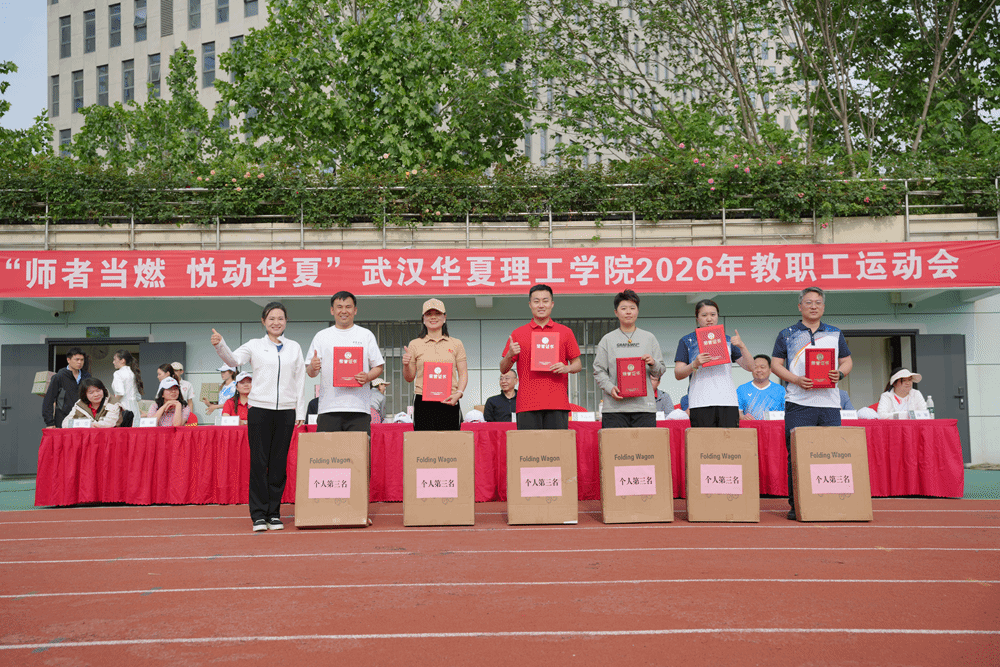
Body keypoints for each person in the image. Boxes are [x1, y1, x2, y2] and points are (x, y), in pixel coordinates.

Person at [213, 301, 307, 532]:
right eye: (271, 318)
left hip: (286, 411)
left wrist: (300, 410)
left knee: (278, 464)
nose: (276, 322)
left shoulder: (294, 347)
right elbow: (233, 360)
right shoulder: (254, 345)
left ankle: (274, 514)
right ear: (264, 321)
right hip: (259, 411)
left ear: (286, 321)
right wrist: (220, 345)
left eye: (280, 318)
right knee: (259, 463)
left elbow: (300, 380)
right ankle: (258, 515)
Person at [771, 286, 852, 520]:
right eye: (808, 302)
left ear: (823, 307)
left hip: (829, 405)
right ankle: (797, 504)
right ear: (800, 306)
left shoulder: (835, 333)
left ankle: (829, 502)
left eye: (818, 302)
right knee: (797, 456)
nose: (813, 306)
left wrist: (840, 373)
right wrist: (796, 379)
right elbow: (775, 364)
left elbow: (847, 361)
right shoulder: (787, 334)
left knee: (831, 454)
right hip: (798, 403)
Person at [501, 284, 582, 430]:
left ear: (552, 304)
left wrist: (567, 368)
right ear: (530, 305)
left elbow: (578, 364)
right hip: (527, 404)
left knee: (557, 444)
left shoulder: (565, 332)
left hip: (557, 403)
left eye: (545, 301)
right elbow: (503, 369)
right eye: (536, 301)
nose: (541, 305)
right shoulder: (518, 333)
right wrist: (509, 355)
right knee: (528, 445)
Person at [306, 291, 385, 434]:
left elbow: (378, 366)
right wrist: (313, 366)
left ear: (355, 310)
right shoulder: (322, 336)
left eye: (348, 307)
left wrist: (367, 377)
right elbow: (311, 373)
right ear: (332, 310)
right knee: (327, 449)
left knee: (359, 449)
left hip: (359, 408)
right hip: (329, 408)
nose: (344, 311)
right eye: (339, 307)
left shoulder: (365, 335)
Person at [593, 290, 667, 428]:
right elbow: (598, 370)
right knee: (615, 443)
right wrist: (610, 388)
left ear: (637, 311)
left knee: (646, 443)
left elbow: (661, 370)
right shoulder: (607, 339)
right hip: (615, 409)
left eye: (632, 308)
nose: (628, 312)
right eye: (623, 308)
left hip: (644, 408)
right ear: (616, 312)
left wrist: (653, 363)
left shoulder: (649, 338)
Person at [674, 299, 753, 428]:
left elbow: (750, 367)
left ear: (718, 316)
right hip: (700, 402)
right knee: (704, 441)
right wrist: (694, 364)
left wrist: (742, 346)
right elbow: (678, 373)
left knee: (728, 440)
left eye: (713, 314)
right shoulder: (687, 341)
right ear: (697, 318)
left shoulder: (728, 340)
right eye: (704, 315)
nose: (709, 319)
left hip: (728, 401)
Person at [402, 299, 468, 431]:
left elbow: (463, 373)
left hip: (449, 400)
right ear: (423, 319)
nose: (433, 317)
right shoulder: (415, 344)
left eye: (437, 313)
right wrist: (406, 364)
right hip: (423, 402)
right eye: (429, 314)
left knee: (450, 441)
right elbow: (409, 378)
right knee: (424, 441)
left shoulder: (456, 344)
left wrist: (459, 393)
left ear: (444, 318)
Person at [42, 347, 91, 428]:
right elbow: (48, 400)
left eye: (82, 360)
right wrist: (49, 422)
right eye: (77, 359)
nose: (79, 362)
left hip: (82, 418)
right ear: (68, 360)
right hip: (63, 418)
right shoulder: (59, 377)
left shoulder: (87, 376)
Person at [737, 354, 786, 420]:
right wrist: (743, 417)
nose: (759, 370)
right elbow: (738, 412)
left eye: (762, 367)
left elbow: (786, 413)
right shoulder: (742, 389)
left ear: (770, 370)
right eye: (755, 367)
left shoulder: (780, 390)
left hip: (774, 426)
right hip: (750, 426)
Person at [110, 349, 143, 418]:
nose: (113, 362)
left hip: (124, 409)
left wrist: (112, 404)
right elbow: (138, 397)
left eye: (115, 359)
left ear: (122, 360)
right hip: (135, 409)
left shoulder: (118, 373)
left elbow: (120, 393)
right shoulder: (132, 373)